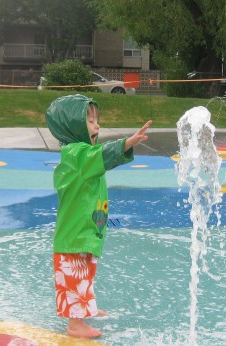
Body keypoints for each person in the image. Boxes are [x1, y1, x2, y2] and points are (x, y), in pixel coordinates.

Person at [45, 94, 152, 338]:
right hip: (74, 234)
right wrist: (128, 142)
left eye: (96, 120)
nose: (97, 126)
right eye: (90, 121)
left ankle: (86, 308)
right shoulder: (77, 154)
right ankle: (75, 324)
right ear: (72, 126)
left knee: (85, 273)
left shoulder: (84, 154)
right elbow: (105, 155)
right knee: (74, 276)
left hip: (87, 229)